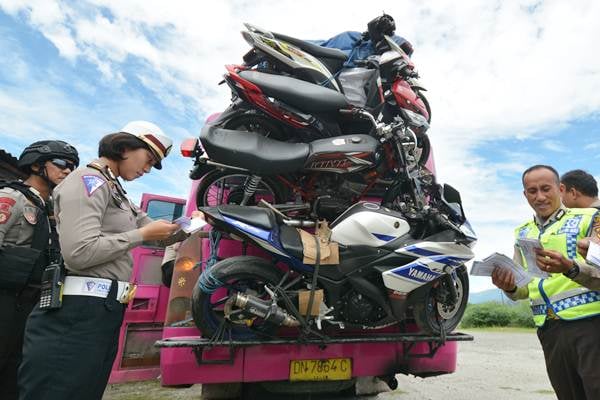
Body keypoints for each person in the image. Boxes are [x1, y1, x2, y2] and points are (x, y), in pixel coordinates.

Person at [18, 121, 182, 400]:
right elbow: (79, 253)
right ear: (125, 147)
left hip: (102, 311)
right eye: (148, 159)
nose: (147, 168)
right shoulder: (87, 180)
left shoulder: (118, 192)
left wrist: (193, 226)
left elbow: (161, 236)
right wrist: (140, 234)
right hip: (77, 312)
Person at [491, 165, 600, 400]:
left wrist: (570, 268)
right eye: (532, 191)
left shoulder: (590, 218)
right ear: (525, 195)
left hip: (590, 325)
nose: (539, 197)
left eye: (545, 189)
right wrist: (508, 285)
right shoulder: (523, 233)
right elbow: (522, 288)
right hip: (549, 328)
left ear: (560, 189)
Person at [0, 140, 78, 400]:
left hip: (32, 302)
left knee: (16, 371)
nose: (67, 171)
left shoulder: (49, 209)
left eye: (72, 167)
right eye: (61, 164)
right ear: (36, 165)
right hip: (6, 298)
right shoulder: (12, 197)